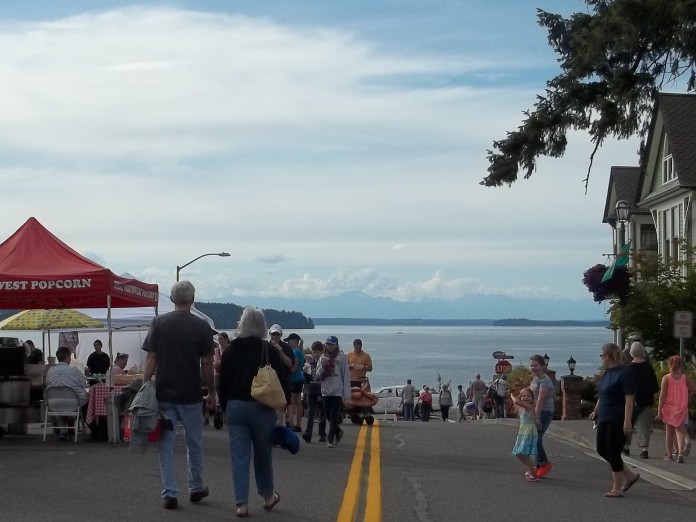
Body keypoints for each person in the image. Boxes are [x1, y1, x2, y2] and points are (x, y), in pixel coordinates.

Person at [142, 281, 216, 510]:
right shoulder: (202, 326)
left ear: (173, 300)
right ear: (192, 300)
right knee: (194, 442)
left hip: (164, 392)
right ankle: (195, 487)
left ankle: (170, 491)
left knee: (166, 444)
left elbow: (152, 358)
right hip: (191, 393)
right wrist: (212, 391)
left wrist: (145, 385)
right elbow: (207, 363)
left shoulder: (159, 323)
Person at [219, 307, 290, 518]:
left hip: (236, 407)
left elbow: (223, 383)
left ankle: (241, 504)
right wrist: (283, 404)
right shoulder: (267, 349)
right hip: (262, 407)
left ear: (241, 324)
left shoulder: (230, 351)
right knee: (263, 454)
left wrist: (224, 408)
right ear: (262, 326)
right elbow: (283, 380)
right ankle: (268, 496)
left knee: (239, 457)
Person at [590, 343, 640, 497]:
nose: (602, 358)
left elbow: (629, 398)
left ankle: (617, 488)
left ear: (610, 355)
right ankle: (630, 476)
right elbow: (603, 393)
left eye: (603, 355)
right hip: (604, 416)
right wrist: (596, 410)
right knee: (602, 449)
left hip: (617, 417)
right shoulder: (608, 373)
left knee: (613, 451)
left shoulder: (625, 373)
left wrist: (627, 421)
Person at [656, 355, 696, 463]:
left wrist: (659, 410)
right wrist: (686, 395)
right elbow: (694, 389)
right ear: (680, 365)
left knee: (669, 432)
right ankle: (680, 454)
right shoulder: (684, 377)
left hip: (669, 407)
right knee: (680, 431)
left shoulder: (666, 378)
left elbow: (663, 395)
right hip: (682, 407)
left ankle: (669, 454)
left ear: (669, 364)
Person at [623, 342, 659, 458]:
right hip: (646, 401)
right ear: (643, 351)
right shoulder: (648, 367)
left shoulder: (627, 368)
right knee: (645, 427)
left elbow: (623, 386)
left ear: (631, 352)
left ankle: (626, 447)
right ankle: (644, 449)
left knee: (628, 423)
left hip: (631, 402)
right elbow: (655, 386)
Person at [45, 346, 89, 440]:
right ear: (66, 356)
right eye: (70, 356)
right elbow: (83, 382)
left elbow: (47, 383)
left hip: (53, 403)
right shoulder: (74, 370)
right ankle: (83, 427)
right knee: (85, 401)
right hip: (72, 403)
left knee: (60, 404)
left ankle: (63, 429)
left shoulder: (50, 370)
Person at [316, 336, 351, 448]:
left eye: (332, 344)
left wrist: (346, 395)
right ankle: (338, 431)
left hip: (337, 390)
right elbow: (317, 374)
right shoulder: (323, 357)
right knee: (327, 415)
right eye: (328, 344)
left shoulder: (342, 357)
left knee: (333, 415)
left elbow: (345, 375)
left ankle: (330, 439)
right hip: (326, 390)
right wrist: (323, 364)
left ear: (336, 345)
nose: (329, 347)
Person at [530, 354, 554, 477]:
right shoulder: (535, 379)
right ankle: (538, 464)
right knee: (534, 438)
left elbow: (540, 399)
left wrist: (536, 417)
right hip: (535, 411)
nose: (533, 368)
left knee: (536, 438)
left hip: (544, 413)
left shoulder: (545, 380)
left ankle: (544, 463)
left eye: (536, 365)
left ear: (542, 366)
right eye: (531, 365)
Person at [268, 324, 295, 427]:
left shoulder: (286, 347)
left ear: (281, 335)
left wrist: (280, 351)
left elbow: (290, 364)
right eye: (273, 334)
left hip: (282, 381)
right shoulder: (266, 346)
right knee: (269, 408)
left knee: (280, 409)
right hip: (269, 381)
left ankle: (278, 430)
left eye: (277, 334)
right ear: (269, 334)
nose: (275, 337)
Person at [511, 387, 539, 482]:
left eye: (528, 396)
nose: (525, 398)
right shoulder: (522, 408)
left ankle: (534, 474)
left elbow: (516, 402)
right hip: (523, 431)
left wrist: (511, 396)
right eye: (523, 396)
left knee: (525, 453)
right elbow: (534, 419)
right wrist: (537, 423)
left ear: (532, 398)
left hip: (528, 432)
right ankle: (531, 468)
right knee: (518, 453)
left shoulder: (529, 407)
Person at [302, 341, 327, 443]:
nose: (316, 354)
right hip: (311, 390)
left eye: (318, 352)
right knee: (310, 412)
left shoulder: (324, 363)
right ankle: (308, 433)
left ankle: (322, 434)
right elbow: (307, 379)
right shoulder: (309, 364)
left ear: (322, 352)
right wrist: (305, 372)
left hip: (321, 389)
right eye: (314, 352)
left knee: (322, 413)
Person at [285, 333, 305, 433]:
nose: (288, 343)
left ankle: (292, 423)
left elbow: (294, 368)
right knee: (298, 401)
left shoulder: (295, 352)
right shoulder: (300, 351)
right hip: (300, 378)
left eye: (290, 341)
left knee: (292, 401)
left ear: (294, 341)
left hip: (294, 379)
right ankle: (298, 424)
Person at [213, 332, 230, 398]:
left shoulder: (231, 349)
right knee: (218, 393)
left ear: (226, 339)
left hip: (229, 375)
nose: (219, 341)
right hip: (218, 375)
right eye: (218, 339)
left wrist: (220, 362)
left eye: (221, 339)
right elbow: (216, 363)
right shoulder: (216, 350)